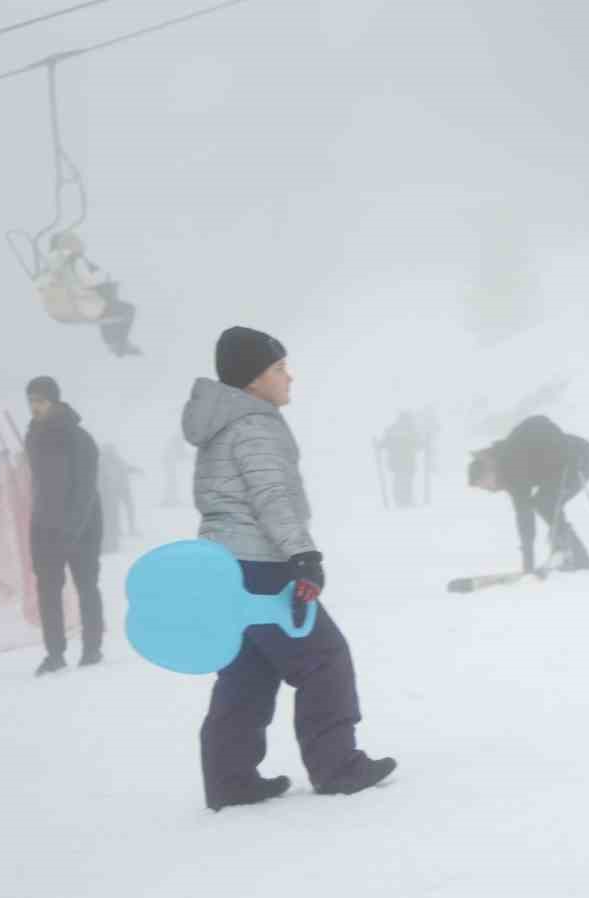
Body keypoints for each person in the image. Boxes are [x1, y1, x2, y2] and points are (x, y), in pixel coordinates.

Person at [184, 325, 396, 811]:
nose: (289, 376)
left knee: (248, 671)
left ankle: (230, 779)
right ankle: (337, 766)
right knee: (323, 658)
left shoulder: (221, 424)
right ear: (253, 378)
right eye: (279, 368)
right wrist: (303, 555)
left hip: (222, 565)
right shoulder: (254, 424)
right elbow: (271, 496)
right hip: (260, 562)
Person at [23, 376, 105, 676]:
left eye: (40, 401)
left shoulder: (78, 437)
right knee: (47, 590)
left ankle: (92, 649)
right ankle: (54, 654)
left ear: (54, 402)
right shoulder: (33, 436)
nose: (34, 407)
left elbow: (85, 488)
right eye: (31, 401)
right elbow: (40, 486)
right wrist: (38, 524)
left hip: (81, 526)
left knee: (85, 586)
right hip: (44, 525)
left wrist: (72, 527)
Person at [467, 415, 589, 575]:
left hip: (579, 457)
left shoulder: (510, 462)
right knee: (546, 504)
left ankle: (577, 558)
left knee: (546, 503)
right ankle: (566, 552)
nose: (489, 490)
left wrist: (528, 565)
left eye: (485, 484)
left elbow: (540, 421)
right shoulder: (506, 468)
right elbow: (523, 515)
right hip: (564, 464)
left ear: (488, 470)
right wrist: (528, 563)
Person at [35, 231, 142, 357]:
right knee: (126, 309)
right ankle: (117, 342)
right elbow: (89, 280)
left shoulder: (50, 265)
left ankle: (115, 342)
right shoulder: (73, 260)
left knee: (107, 304)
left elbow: (45, 285)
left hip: (62, 309)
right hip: (81, 306)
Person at [97, 444, 142, 553]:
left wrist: (136, 470)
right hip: (115, 491)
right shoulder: (103, 462)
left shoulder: (116, 460)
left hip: (121, 490)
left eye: (112, 450)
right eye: (110, 451)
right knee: (114, 513)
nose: (112, 452)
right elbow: (103, 477)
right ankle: (117, 533)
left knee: (125, 510)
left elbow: (126, 468)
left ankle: (127, 529)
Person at [377, 412, 422, 508]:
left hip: (395, 462)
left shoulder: (392, 430)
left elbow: (384, 444)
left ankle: (400, 500)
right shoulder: (411, 430)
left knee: (398, 480)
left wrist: (378, 444)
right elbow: (419, 445)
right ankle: (406, 500)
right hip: (408, 462)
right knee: (407, 481)